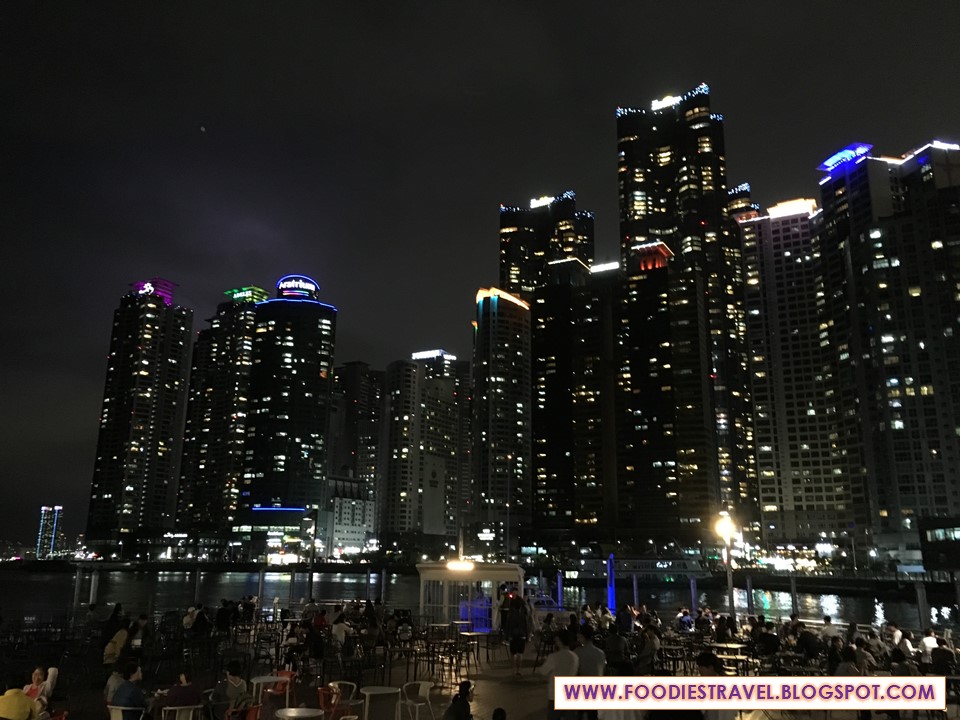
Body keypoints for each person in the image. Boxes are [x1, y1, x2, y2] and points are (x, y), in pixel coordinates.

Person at [537, 629, 579, 719]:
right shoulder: (575, 657)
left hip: (555, 695)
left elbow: (543, 671)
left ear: (559, 641)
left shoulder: (554, 657)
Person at [575, 626, 605, 720]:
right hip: (596, 687)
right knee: (593, 714)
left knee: (580, 714)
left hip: (582, 687)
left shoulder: (577, 652)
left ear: (583, 636)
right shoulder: (600, 653)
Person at [506, 594, 529, 677]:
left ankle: (513, 670)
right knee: (520, 653)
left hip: (513, 635)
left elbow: (508, 625)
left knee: (513, 653)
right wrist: (527, 636)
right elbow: (526, 625)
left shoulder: (511, 614)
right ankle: (519, 670)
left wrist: (507, 636)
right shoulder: (523, 614)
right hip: (522, 635)